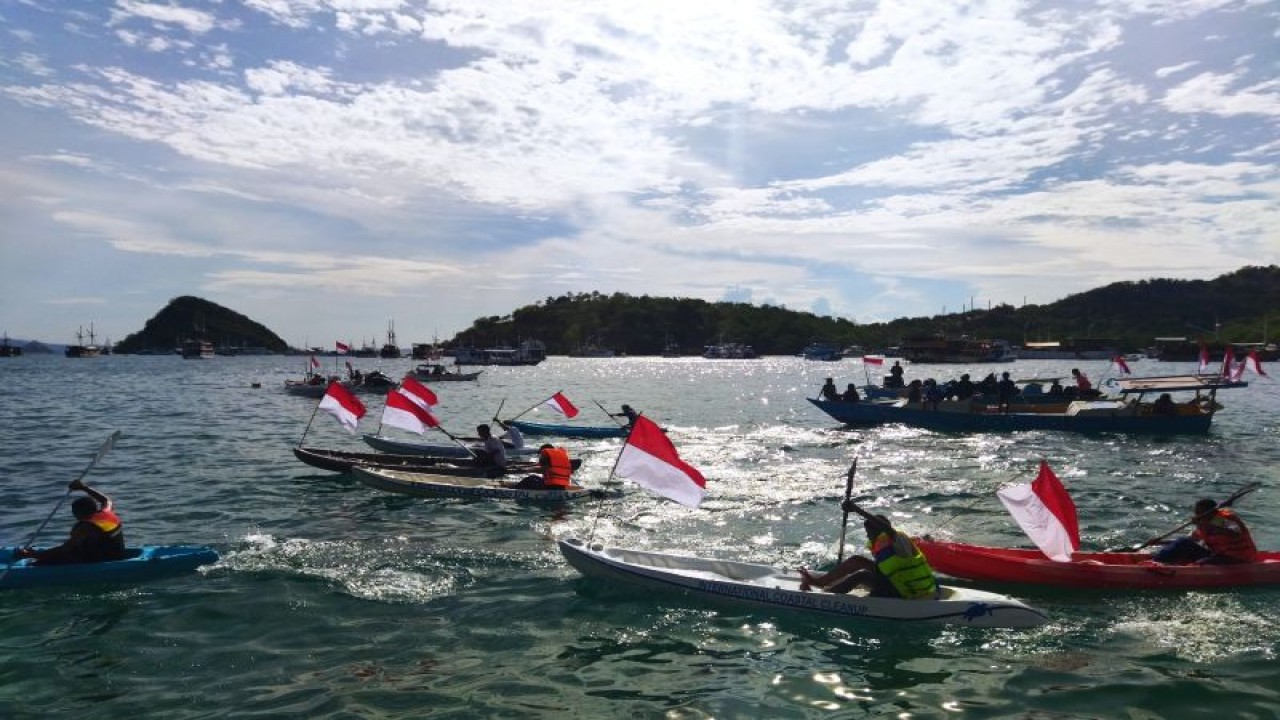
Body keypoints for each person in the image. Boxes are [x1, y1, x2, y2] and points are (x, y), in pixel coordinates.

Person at [797, 508, 938, 599]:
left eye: (869, 532)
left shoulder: (897, 539)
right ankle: (820, 582)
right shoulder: (881, 542)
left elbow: (886, 528)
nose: (868, 536)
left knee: (862, 575)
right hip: (899, 583)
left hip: (911, 591)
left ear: (880, 529)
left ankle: (823, 597)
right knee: (857, 561)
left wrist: (855, 509)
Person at [14, 480, 126, 565]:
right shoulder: (107, 513)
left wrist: (32, 555)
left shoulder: (86, 527)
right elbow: (106, 500)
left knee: (37, 564)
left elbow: (64, 549)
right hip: (117, 555)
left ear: (80, 512)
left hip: (102, 561)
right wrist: (83, 488)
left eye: (74, 512)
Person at [1153, 498, 1258, 564]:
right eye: (1196, 512)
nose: (1196, 514)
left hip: (1239, 557)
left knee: (1201, 562)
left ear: (1210, 512)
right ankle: (1157, 561)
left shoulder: (1225, 519)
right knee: (1182, 542)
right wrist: (1160, 542)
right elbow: (1191, 539)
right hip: (1218, 554)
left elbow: (1236, 532)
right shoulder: (1203, 523)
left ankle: (1170, 567)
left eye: (1199, 512)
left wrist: (1208, 526)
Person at [510, 443, 576, 490]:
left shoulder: (546, 468)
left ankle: (515, 489)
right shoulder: (561, 465)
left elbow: (528, 470)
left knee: (531, 478)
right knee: (537, 478)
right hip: (562, 488)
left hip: (549, 489)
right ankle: (514, 486)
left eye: (541, 455)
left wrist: (512, 471)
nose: (540, 457)